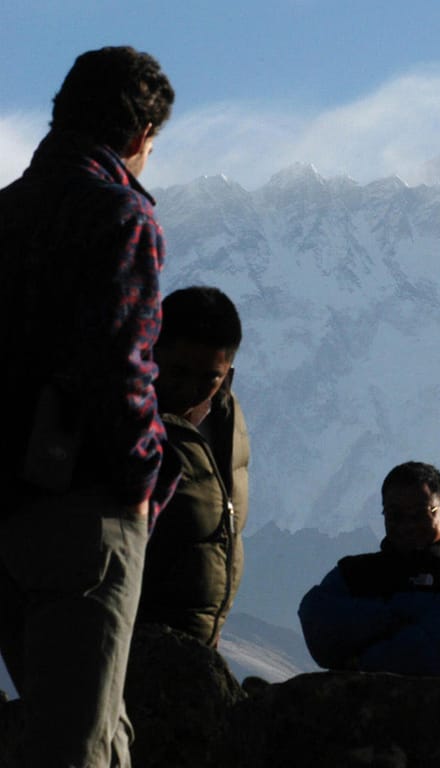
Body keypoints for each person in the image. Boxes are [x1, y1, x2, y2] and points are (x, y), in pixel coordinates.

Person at [0, 46, 176, 766]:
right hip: (83, 513)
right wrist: (142, 480)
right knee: (82, 738)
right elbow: (122, 368)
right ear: (140, 136)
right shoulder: (121, 216)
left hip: (7, 502)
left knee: (63, 719)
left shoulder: (8, 210)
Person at [298, 461, 440, 733]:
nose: (407, 526)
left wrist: (360, 659)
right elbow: (319, 626)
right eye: (395, 515)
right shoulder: (354, 572)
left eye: (420, 514)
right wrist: (410, 615)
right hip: (362, 734)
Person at [137, 286, 250, 647]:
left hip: (200, 644)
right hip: (134, 640)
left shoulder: (229, 422)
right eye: (178, 372)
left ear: (227, 373)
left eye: (209, 378)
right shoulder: (128, 425)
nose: (190, 389)